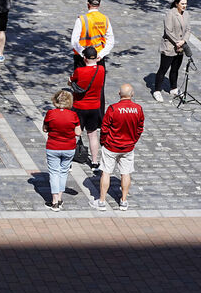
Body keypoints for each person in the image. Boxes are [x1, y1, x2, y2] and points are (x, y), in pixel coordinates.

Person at [89, 83, 145, 211]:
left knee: (106, 172)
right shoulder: (138, 109)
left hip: (111, 146)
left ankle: (102, 201)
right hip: (128, 147)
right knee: (126, 173)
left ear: (119, 94)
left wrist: (104, 142)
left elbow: (104, 128)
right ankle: (124, 201)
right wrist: (133, 140)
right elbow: (139, 128)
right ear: (133, 94)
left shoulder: (113, 109)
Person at [71, 0, 114, 109]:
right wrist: (100, 54)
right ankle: (99, 116)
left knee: (80, 87)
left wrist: (83, 54)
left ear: (88, 4)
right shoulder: (105, 19)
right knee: (98, 88)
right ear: (99, 4)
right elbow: (111, 40)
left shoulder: (82, 19)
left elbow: (74, 41)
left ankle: (79, 114)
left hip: (82, 60)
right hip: (99, 58)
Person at [43, 90, 81, 211]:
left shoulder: (50, 113)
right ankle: (59, 198)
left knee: (54, 173)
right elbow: (78, 132)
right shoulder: (73, 115)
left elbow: (45, 129)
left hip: (53, 147)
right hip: (69, 147)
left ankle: (54, 201)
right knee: (63, 172)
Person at [70, 46, 106, 171]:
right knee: (93, 134)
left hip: (79, 106)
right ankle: (95, 162)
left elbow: (71, 80)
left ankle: (68, 161)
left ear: (84, 58)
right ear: (96, 58)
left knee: (74, 134)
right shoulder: (101, 70)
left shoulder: (80, 71)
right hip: (95, 107)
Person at [153, 0, 190, 102]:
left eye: (186, 4)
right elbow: (168, 31)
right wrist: (177, 42)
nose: (184, 6)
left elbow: (188, 29)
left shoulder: (186, 14)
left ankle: (173, 88)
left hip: (181, 46)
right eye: (182, 4)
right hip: (169, 46)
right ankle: (157, 90)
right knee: (163, 69)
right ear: (176, 4)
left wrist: (183, 41)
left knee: (175, 69)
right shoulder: (170, 14)